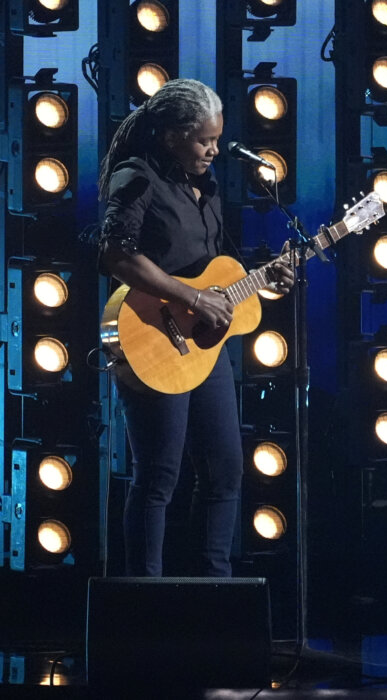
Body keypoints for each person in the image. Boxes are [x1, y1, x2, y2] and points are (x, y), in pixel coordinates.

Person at [98, 78, 294, 577]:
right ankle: (143, 602)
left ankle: (216, 595)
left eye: (216, 138)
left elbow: (211, 272)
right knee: (159, 476)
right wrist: (189, 297)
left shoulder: (202, 189)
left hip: (203, 350)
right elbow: (117, 256)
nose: (214, 149)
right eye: (204, 139)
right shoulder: (136, 177)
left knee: (226, 470)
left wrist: (264, 279)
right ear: (171, 137)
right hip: (151, 338)